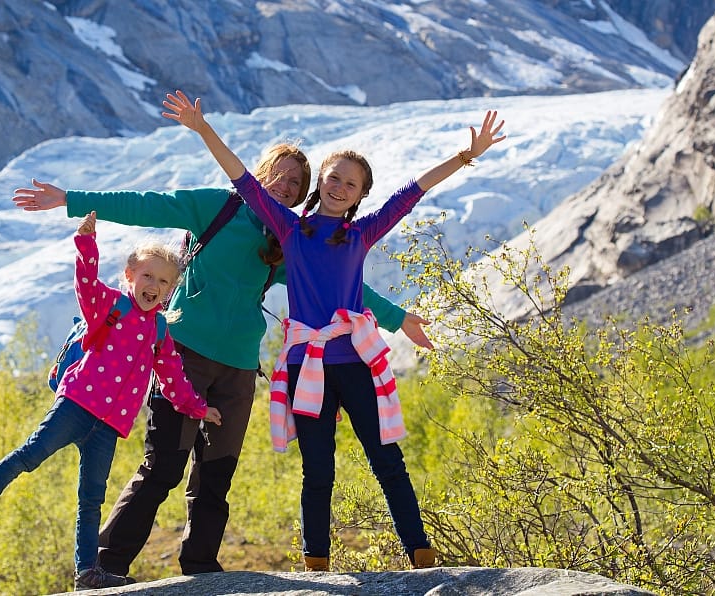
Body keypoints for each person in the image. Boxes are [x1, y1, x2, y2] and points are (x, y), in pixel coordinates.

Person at [12, 145, 435, 576]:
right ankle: (106, 566)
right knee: (162, 469)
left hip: (237, 369)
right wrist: (71, 201)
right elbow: (147, 204)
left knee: (216, 477)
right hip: (184, 358)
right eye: (280, 175)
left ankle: (200, 569)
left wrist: (398, 318)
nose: (286, 187)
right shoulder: (218, 207)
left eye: (295, 184)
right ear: (261, 171)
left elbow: (340, 287)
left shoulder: (284, 239)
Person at [162, 89, 506, 571]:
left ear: (361, 194)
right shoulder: (287, 229)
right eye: (333, 178)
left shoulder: (362, 233)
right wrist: (203, 130)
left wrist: (466, 156)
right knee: (317, 469)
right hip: (308, 366)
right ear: (319, 183)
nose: (340, 187)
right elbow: (240, 175)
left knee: (387, 461)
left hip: (355, 363)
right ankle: (317, 561)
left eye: (351, 183)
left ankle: (421, 553)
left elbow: (414, 190)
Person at [0, 211, 223, 591]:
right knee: (30, 455)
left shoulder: (159, 328)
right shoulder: (109, 305)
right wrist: (87, 243)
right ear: (130, 276)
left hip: (108, 426)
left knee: (92, 497)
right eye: (147, 276)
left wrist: (197, 407)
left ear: (171, 288)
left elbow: (172, 375)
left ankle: (86, 572)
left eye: (163, 281)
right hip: (76, 405)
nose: (153, 285)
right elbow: (85, 284)